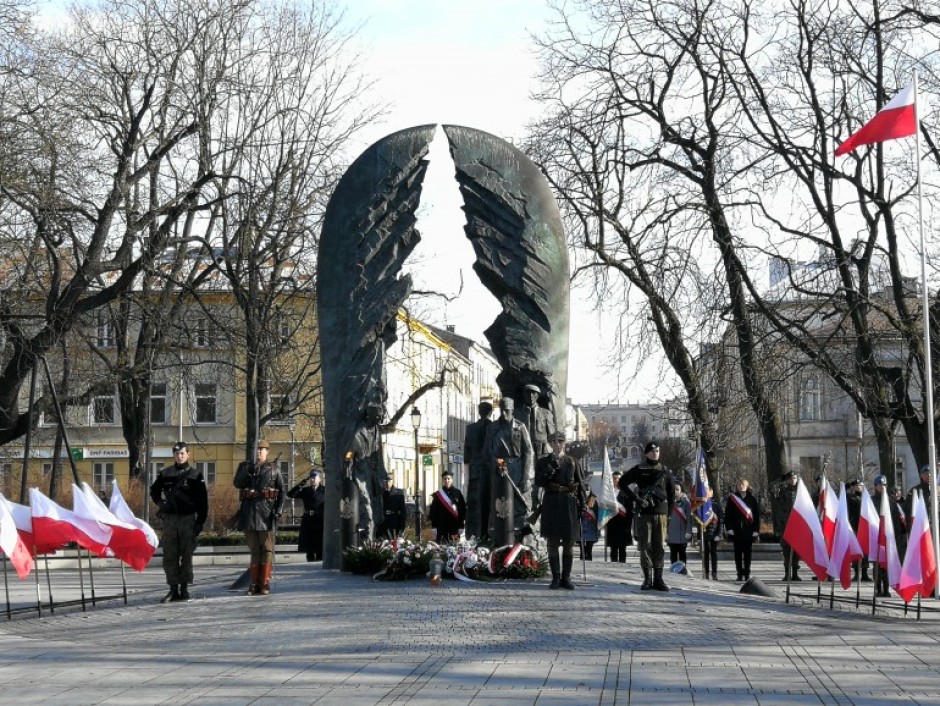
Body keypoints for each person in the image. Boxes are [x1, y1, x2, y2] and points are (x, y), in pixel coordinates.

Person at [150, 441, 208, 603]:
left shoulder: (196, 475)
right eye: (177, 453)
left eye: (182, 453)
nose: (179, 456)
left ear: (188, 455)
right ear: (174, 455)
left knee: (187, 555)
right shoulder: (165, 473)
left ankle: (184, 588)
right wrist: (161, 504)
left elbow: (203, 502)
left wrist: (200, 523)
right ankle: (173, 589)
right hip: (170, 520)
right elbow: (154, 490)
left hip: (188, 519)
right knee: (170, 555)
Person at [619, 441, 674, 591]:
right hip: (645, 513)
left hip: (661, 513)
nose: (655, 453)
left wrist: (670, 513)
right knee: (645, 546)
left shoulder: (665, 471)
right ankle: (647, 579)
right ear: (646, 453)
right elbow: (622, 483)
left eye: (657, 451)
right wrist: (636, 499)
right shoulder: (639, 469)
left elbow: (671, 494)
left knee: (660, 547)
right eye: (652, 451)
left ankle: (659, 579)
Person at [535, 431, 586, 589]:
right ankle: (556, 577)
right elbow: (539, 482)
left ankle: (566, 577)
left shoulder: (572, 461)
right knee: (553, 542)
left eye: (561, 441)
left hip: (568, 503)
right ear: (550, 444)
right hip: (551, 502)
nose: (558, 444)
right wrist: (551, 468)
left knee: (569, 542)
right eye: (554, 442)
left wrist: (583, 504)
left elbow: (581, 484)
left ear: (565, 443)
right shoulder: (543, 462)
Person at [233, 440, 285, 595]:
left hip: (266, 513)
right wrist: (246, 469)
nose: (258, 452)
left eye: (261, 449)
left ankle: (265, 583)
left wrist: (279, 510)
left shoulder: (274, 469)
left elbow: (282, 491)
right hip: (249, 513)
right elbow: (237, 483)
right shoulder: (246, 466)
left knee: (267, 549)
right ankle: (254, 583)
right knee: (254, 549)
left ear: (267, 451)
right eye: (256, 449)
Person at [484, 397, 534, 541]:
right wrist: (500, 463)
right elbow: (488, 452)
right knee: (501, 504)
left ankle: (520, 539)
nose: (504, 414)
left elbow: (528, 452)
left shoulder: (520, 427)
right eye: (502, 410)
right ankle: (500, 538)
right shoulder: (493, 427)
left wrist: (525, 477)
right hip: (500, 470)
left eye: (507, 410)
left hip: (518, 469)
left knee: (520, 505)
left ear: (512, 410)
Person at [349, 403, 387, 541]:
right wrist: (348, 466)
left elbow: (379, 454)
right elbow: (349, 454)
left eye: (381, 416)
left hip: (374, 475)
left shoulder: (377, 430)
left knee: (377, 512)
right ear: (370, 416)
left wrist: (383, 475)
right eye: (379, 416)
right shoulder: (358, 432)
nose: (381, 418)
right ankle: (365, 541)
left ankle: (372, 541)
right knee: (366, 508)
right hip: (360, 474)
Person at [463, 400, 493, 539]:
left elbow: (466, 455)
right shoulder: (493, 427)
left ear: (479, 411)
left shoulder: (470, 428)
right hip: (489, 471)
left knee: (474, 506)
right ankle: (485, 535)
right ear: (491, 412)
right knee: (488, 505)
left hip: (474, 471)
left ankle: (472, 535)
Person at [873, 474, 907, 597]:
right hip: (876, 536)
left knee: (887, 564)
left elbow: (897, 520)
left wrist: (897, 536)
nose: (883, 487)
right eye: (880, 484)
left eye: (884, 485)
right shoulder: (871, 501)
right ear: (875, 486)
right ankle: (878, 588)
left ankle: (886, 588)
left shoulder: (891, 502)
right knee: (878, 563)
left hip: (889, 537)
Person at [725, 478, 760, 581]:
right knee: (738, 554)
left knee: (747, 554)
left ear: (747, 486)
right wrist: (729, 528)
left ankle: (747, 574)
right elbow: (728, 515)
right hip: (736, 531)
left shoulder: (752, 499)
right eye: (739, 485)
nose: (741, 486)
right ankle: (739, 573)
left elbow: (756, 516)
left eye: (743, 485)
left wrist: (755, 530)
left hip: (748, 531)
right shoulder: (732, 499)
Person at [286, 470, 325, 561]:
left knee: (320, 546)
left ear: (319, 479)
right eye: (311, 478)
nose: (312, 480)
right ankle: (310, 560)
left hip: (320, 519)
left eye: (314, 478)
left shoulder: (324, 490)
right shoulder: (306, 490)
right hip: (308, 519)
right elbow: (290, 494)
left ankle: (320, 561)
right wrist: (301, 484)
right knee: (309, 546)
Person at [770, 471, 802, 581]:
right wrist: (780, 479)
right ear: (788, 480)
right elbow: (771, 488)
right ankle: (787, 573)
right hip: (785, 524)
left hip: (798, 526)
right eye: (791, 478)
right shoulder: (782, 491)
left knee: (797, 551)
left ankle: (795, 573)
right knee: (786, 550)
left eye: (795, 478)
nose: (793, 480)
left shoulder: (802, 492)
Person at [428, 470, 467, 542]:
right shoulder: (438, 494)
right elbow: (434, 510)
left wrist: (461, 526)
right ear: (442, 480)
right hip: (441, 525)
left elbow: (462, 509)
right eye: (445, 479)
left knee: (455, 547)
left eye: (448, 478)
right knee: (441, 547)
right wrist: (434, 526)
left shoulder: (457, 493)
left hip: (454, 524)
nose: (447, 480)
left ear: (452, 480)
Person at [846, 478, 870, 582]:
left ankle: (864, 573)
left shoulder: (867, 498)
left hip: (865, 528)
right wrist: (846, 488)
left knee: (865, 551)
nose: (858, 487)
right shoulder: (850, 497)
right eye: (856, 486)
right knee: (856, 550)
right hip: (855, 526)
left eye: (860, 485)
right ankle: (856, 573)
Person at [605, 470, 633, 562]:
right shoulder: (608, 493)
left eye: (618, 479)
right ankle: (613, 564)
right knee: (613, 548)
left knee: (622, 548)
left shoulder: (626, 493)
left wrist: (628, 526)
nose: (616, 480)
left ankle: (622, 565)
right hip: (611, 523)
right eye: (614, 478)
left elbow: (629, 511)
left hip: (623, 524)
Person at [667, 483, 691, 567]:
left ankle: (682, 570)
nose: (675, 491)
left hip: (682, 533)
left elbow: (689, 518)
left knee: (682, 554)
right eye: (674, 489)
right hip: (671, 533)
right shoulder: (668, 502)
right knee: (673, 554)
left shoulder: (686, 503)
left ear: (681, 491)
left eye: (677, 489)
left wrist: (688, 531)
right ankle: (673, 571)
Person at [379, 472, 407, 539]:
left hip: (394, 521)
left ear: (392, 481)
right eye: (385, 481)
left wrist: (402, 525)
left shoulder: (399, 493)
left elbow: (403, 510)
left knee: (393, 541)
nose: (387, 483)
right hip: (383, 521)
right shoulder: (381, 493)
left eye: (389, 481)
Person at [701, 496, 723, 580]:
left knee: (714, 554)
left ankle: (714, 573)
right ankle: (706, 573)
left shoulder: (716, 506)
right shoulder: (702, 505)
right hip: (705, 533)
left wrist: (719, 534)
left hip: (714, 534)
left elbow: (720, 521)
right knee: (705, 554)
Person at [580, 493, 599, 560]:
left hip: (590, 525)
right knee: (581, 549)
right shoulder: (579, 494)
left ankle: (589, 561)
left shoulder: (592, 498)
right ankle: (582, 561)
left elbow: (595, 511)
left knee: (589, 548)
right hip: (580, 525)